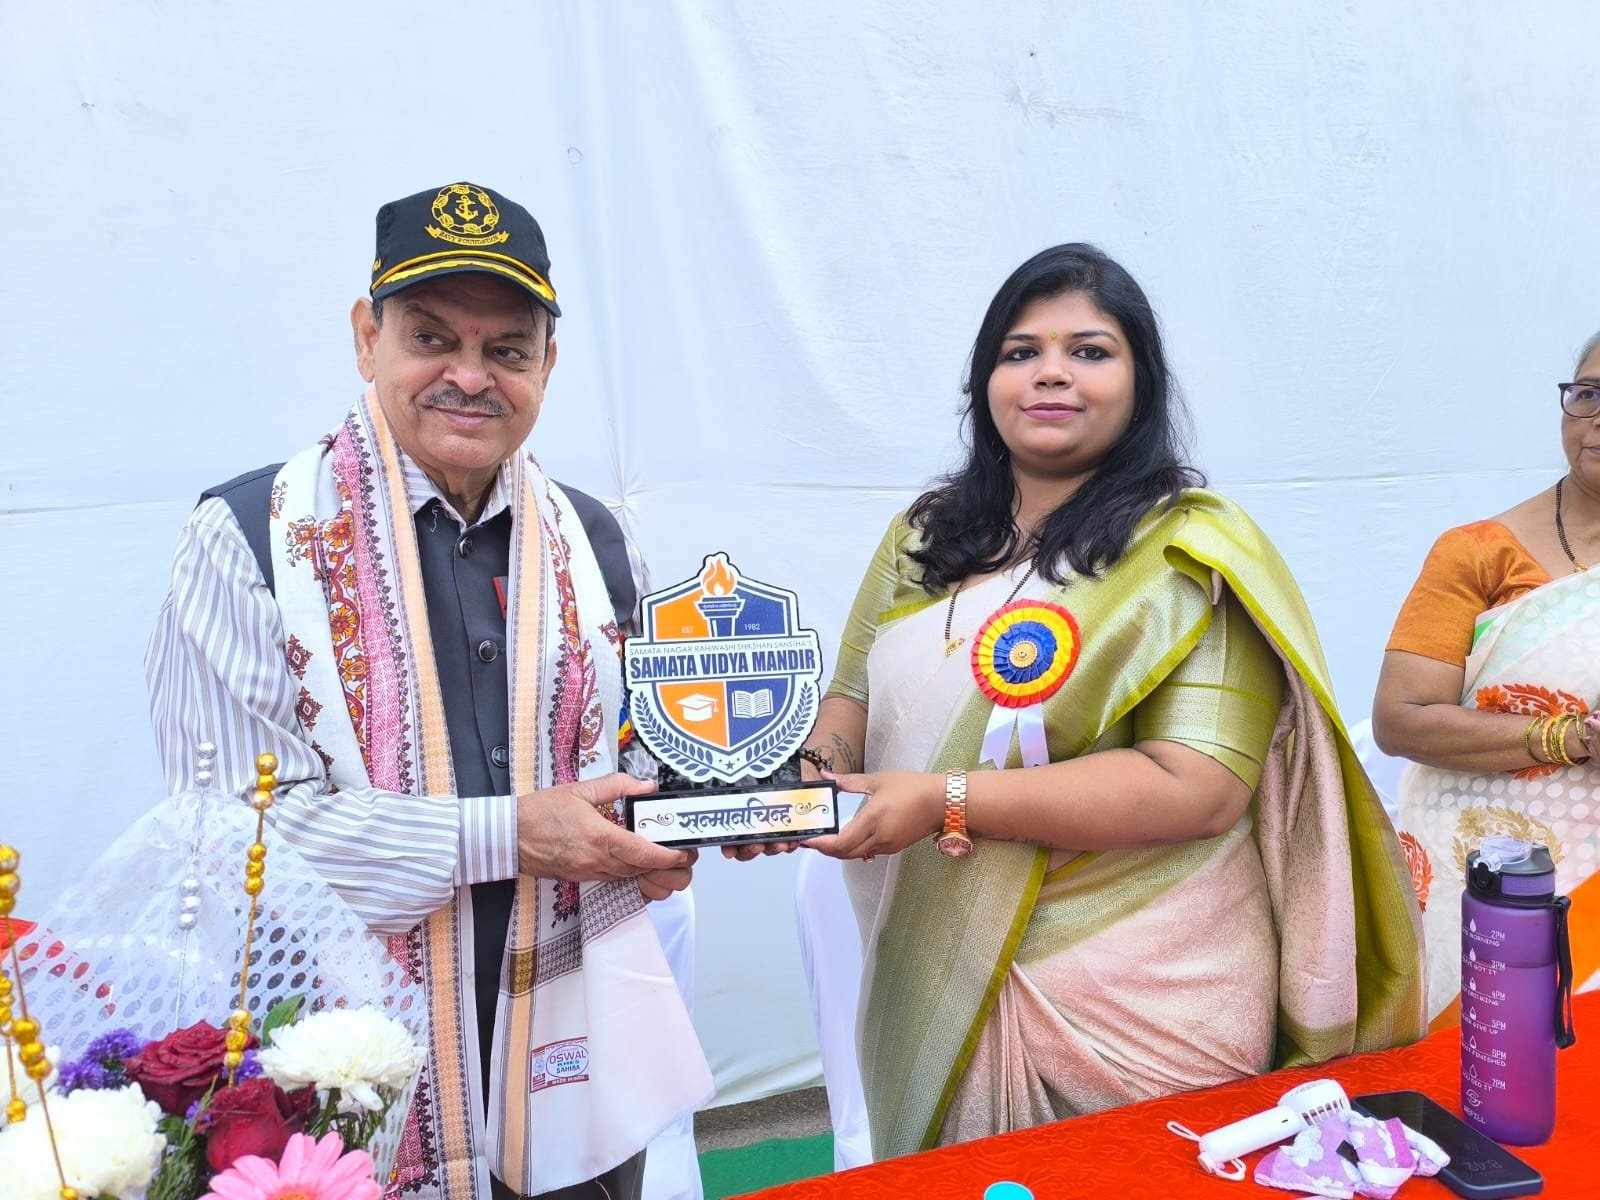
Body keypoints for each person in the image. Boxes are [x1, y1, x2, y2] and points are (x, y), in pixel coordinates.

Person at [752, 244, 1424, 1158]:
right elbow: (852, 695)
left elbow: (1198, 786)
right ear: (984, 382)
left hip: (1137, 993)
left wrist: (945, 799)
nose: (1051, 373)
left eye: (1090, 351)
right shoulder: (924, 533)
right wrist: (802, 786)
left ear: (1141, 384)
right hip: (935, 955)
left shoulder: (1186, 550)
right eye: (1020, 351)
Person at [145, 182, 712, 1199]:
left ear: (548, 364)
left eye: (507, 349)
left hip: (573, 1060)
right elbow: (236, 836)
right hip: (336, 1075)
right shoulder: (248, 537)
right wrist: (512, 834)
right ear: (367, 339)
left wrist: (711, 808)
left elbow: (637, 753)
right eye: (431, 338)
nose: (470, 376)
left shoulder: (591, 537)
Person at [1373, 332, 1600, 1025]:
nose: (1598, 418)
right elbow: (1402, 718)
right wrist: (1572, 738)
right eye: (1588, 394)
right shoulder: (1479, 553)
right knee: (1496, 1056)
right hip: (1492, 875)